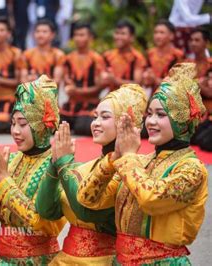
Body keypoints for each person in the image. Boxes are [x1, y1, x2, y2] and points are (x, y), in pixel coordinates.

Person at [78, 63, 208, 265]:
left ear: (181, 121)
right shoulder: (141, 162)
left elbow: (151, 199)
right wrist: (114, 158)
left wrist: (127, 156)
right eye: (150, 114)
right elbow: (88, 198)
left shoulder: (192, 169)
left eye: (161, 115)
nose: (151, 121)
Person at [39, 84, 147, 265]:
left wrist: (64, 164)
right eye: (95, 116)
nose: (95, 123)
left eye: (104, 117)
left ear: (125, 123)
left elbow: (86, 212)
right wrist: (54, 163)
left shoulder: (130, 171)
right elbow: (48, 211)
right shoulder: (85, 167)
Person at [0, 75, 67, 264]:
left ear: (41, 126)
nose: (15, 131)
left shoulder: (57, 166)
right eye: (13, 123)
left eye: (22, 124)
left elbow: (43, 223)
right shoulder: (9, 160)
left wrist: (3, 179)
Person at [60, 23, 105, 136]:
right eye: (76, 35)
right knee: (52, 123)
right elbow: (66, 81)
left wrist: (77, 91)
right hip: (70, 105)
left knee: (82, 127)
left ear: (90, 38)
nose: (78, 38)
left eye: (82, 35)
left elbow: (98, 88)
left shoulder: (96, 59)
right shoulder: (68, 58)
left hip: (89, 105)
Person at [101, 20, 146, 91]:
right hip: (111, 97)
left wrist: (115, 80)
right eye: (117, 33)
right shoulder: (108, 55)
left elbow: (137, 84)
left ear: (132, 37)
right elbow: (101, 80)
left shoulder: (137, 57)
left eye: (123, 33)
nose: (119, 37)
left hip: (130, 99)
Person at [143, 20, 184, 90]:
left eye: (162, 32)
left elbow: (178, 84)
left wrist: (155, 80)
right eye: (156, 32)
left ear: (171, 36)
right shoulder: (150, 53)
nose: (158, 36)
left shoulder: (178, 55)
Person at [22, 19, 65, 84]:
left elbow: (57, 81)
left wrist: (36, 80)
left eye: (44, 32)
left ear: (52, 35)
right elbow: (23, 80)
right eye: (37, 31)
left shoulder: (58, 55)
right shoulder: (27, 54)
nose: (40, 35)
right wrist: (29, 78)